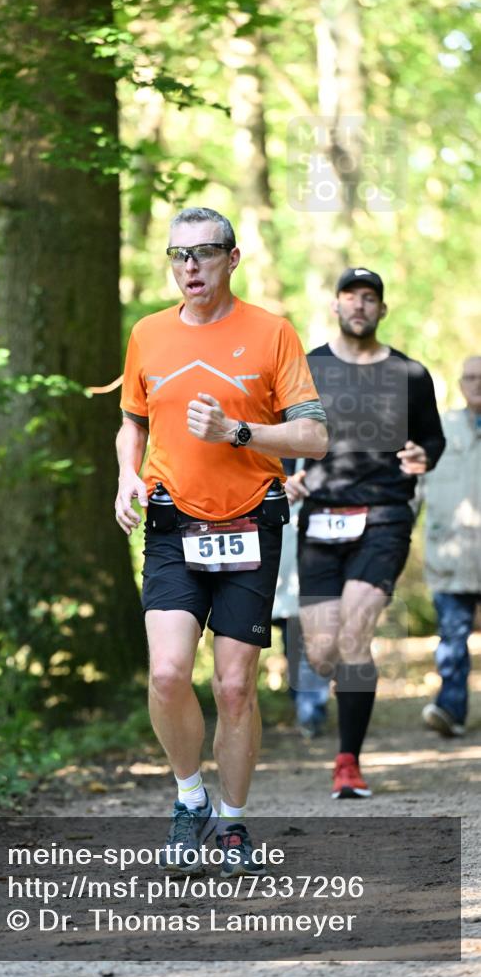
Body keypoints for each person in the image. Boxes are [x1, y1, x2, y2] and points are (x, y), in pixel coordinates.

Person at [115, 207, 328, 874]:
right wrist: (125, 476)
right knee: (167, 672)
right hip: (173, 521)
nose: (189, 267)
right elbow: (132, 425)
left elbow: (313, 437)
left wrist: (238, 432)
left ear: (231, 260)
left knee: (235, 686)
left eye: (204, 254)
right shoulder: (146, 335)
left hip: (249, 519)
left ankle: (232, 822)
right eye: (178, 255)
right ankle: (188, 798)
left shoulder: (271, 333)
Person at [285, 267, 445, 799]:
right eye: (350, 296)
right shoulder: (308, 369)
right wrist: (289, 474)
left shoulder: (410, 374)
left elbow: (432, 441)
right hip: (321, 520)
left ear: (382, 308)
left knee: (354, 637)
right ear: (335, 305)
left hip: (383, 516)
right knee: (323, 651)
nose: (359, 305)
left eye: (369, 297)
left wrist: (424, 456)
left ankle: (348, 760)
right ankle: (343, 722)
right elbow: (286, 434)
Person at [420, 355, 481, 737]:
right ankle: (451, 712)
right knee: (452, 643)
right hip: (449, 558)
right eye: (471, 377)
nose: (478, 383)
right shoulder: (438, 431)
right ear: (461, 384)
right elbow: (412, 490)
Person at [272, 472, 330, 738]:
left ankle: (310, 711)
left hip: (317, 556)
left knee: (313, 642)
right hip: (282, 561)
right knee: (292, 642)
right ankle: (305, 706)